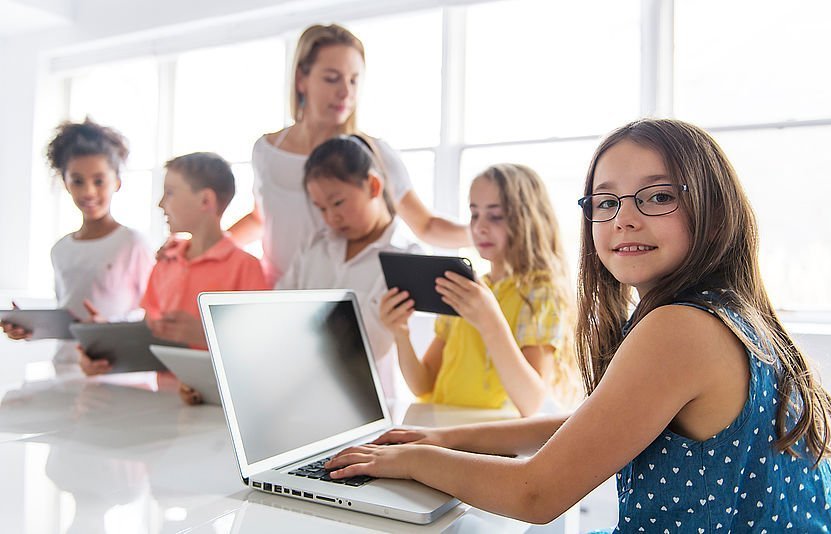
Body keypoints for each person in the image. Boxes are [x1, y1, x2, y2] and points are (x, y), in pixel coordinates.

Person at [325, 119, 831, 532]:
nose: (624, 219)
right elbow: (589, 424)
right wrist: (447, 441)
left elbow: (535, 494)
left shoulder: (681, 328)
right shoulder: (730, 313)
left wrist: (411, 462)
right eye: (606, 202)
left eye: (658, 196)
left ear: (713, 208)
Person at [227, 23, 469, 286]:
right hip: (276, 294)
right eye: (332, 78)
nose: (346, 92)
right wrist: (207, 247)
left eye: (354, 80)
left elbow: (426, 226)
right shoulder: (266, 150)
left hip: (341, 300)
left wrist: (483, 234)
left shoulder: (371, 153)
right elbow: (260, 218)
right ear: (301, 80)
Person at [379, 164, 578, 417]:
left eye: (495, 216)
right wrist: (401, 334)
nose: (480, 227)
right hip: (443, 427)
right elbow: (423, 384)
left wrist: (489, 321)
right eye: (474, 214)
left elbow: (532, 403)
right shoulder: (466, 289)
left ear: (528, 219)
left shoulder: (541, 293)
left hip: (493, 438)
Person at [80, 152, 268, 386]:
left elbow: (260, 349)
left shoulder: (246, 268)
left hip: (216, 409)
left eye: (170, 193)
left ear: (205, 201)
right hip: (165, 406)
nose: (160, 204)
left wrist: (204, 336)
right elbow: (149, 336)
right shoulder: (165, 263)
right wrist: (107, 341)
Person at [278, 135, 422, 400]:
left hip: (363, 397)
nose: (331, 217)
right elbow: (279, 309)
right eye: (320, 208)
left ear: (373, 186)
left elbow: (374, 344)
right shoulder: (315, 246)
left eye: (338, 203)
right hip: (297, 388)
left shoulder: (406, 259)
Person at [1, 119, 152, 354]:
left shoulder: (132, 244)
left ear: (117, 182)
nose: (88, 191)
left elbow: (154, 315)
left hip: (118, 370)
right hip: (65, 366)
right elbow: (68, 315)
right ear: (66, 183)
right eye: (77, 181)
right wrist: (32, 328)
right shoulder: (60, 249)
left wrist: (108, 330)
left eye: (99, 181)